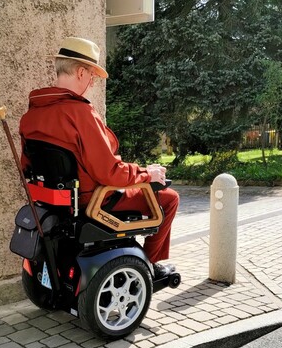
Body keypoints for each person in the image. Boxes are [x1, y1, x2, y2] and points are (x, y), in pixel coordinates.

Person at [19, 37, 179, 278]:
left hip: (55, 202)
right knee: (169, 198)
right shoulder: (80, 113)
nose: (93, 82)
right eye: (92, 75)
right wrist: (147, 173)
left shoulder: (31, 115)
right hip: (94, 200)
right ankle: (150, 266)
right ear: (81, 72)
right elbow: (109, 173)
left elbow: (27, 167)